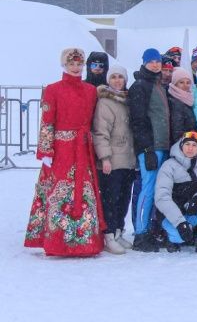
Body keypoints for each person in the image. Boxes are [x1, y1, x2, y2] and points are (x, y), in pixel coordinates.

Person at [24, 48, 104, 257]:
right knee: (58, 191)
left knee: (84, 190)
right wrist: (46, 150)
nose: (76, 68)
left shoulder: (90, 90)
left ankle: (85, 241)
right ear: (64, 65)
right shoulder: (53, 90)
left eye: (79, 64)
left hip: (83, 148)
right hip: (61, 149)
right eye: (71, 64)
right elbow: (47, 122)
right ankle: (57, 241)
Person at [127, 48, 171, 252]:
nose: (155, 64)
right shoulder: (140, 86)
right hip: (151, 147)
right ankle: (141, 233)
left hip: (162, 145)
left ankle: (150, 230)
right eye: (151, 61)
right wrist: (146, 148)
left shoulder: (158, 84)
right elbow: (138, 120)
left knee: (157, 191)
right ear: (144, 62)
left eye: (157, 61)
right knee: (147, 189)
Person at [152, 131, 197, 254]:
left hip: (190, 212)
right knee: (179, 238)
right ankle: (169, 236)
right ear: (181, 146)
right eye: (187, 144)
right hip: (171, 216)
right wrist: (180, 223)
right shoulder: (168, 166)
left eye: (194, 145)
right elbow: (162, 197)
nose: (190, 148)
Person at [93, 63, 137, 254]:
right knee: (111, 198)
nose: (117, 81)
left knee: (124, 198)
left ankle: (119, 231)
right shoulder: (105, 102)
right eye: (114, 77)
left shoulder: (126, 101)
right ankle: (109, 234)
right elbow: (100, 132)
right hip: (112, 159)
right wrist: (105, 158)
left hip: (128, 158)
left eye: (121, 77)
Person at [167, 67, 197, 146]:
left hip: (189, 142)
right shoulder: (175, 102)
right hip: (183, 145)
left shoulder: (187, 99)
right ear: (175, 83)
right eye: (181, 82)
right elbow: (177, 131)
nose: (185, 85)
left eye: (188, 82)